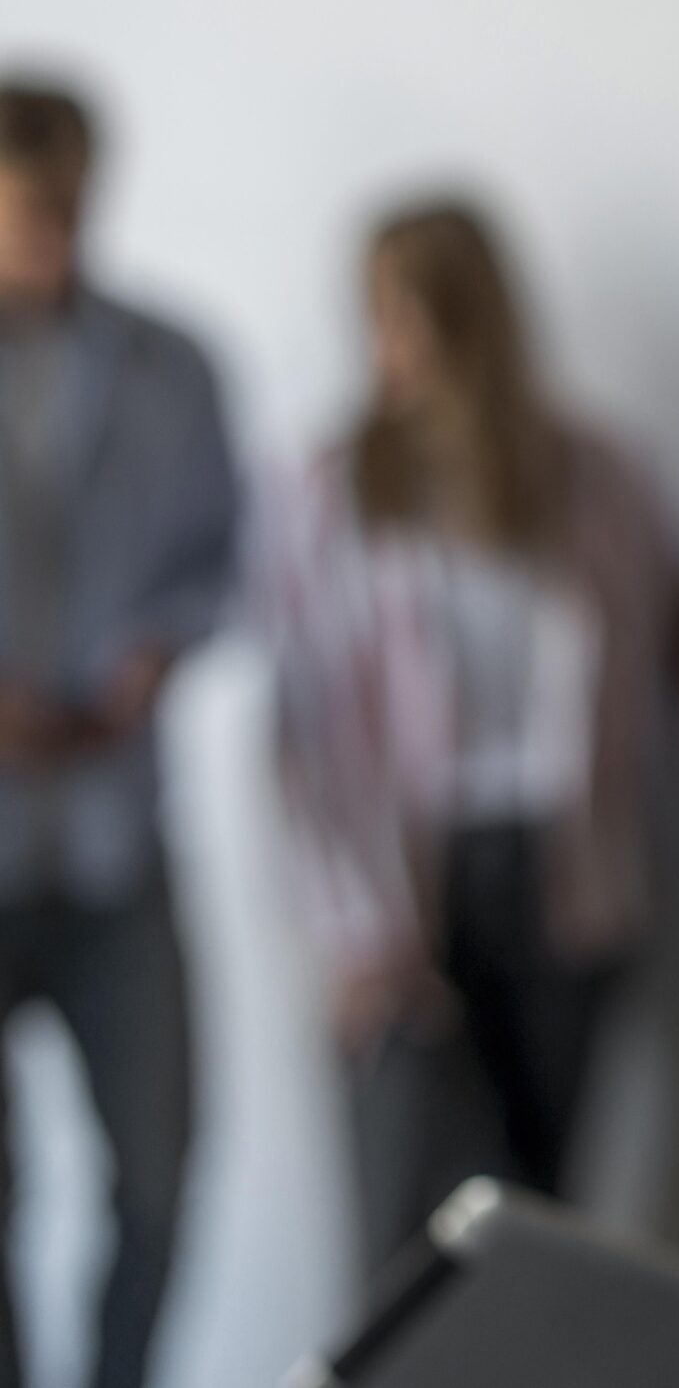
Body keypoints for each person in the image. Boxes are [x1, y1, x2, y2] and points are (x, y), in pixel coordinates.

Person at [262, 197, 673, 1270]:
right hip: (404, 881)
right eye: (379, 316)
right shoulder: (337, 485)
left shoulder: (593, 475)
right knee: (401, 1220)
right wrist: (356, 925)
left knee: (533, 1219)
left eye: (417, 313)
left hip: (556, 874)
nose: (394, 344)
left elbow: (638, 671)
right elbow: (304, 733)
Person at [0, 77, 239, 1388]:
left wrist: (159, 648)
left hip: (114, 840)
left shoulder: (172, 365)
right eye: (31, 207)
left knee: (158, 1170)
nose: (58, 231)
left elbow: (220, 557)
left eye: (75, 204)